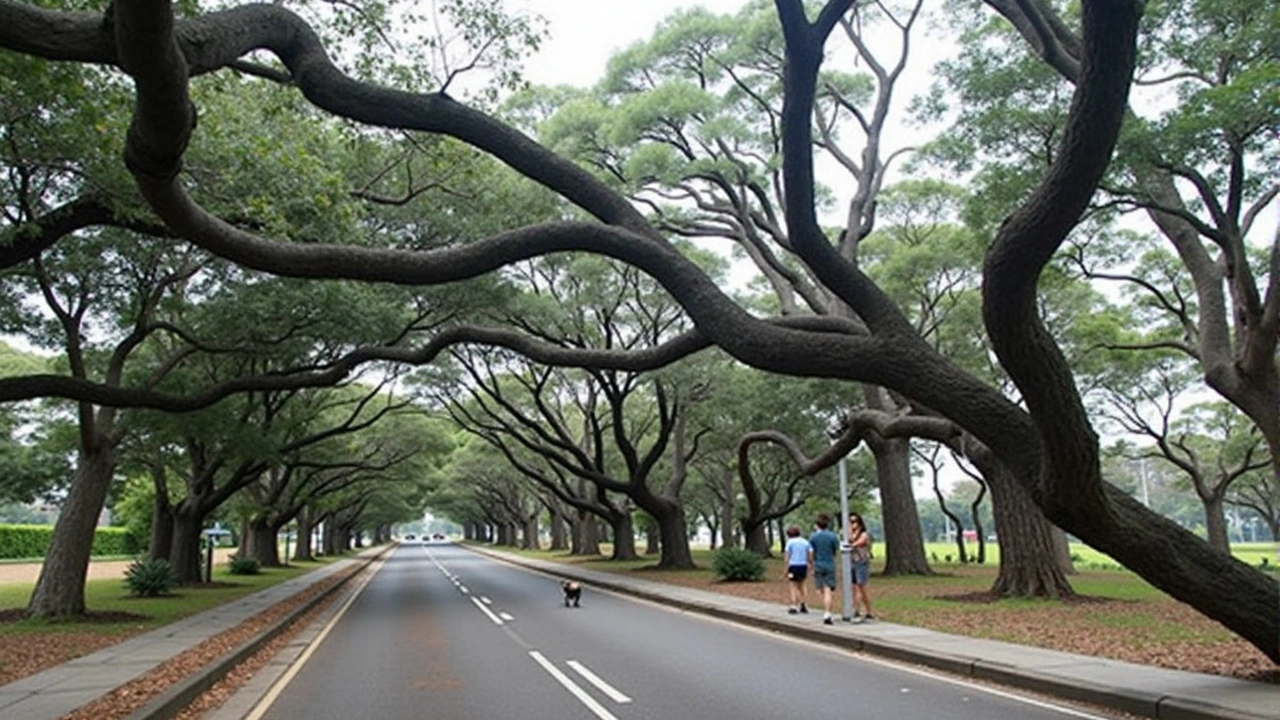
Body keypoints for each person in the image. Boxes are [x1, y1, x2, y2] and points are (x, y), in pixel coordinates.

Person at [808, 514, 841, 625]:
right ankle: (827, 613)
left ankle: (826, 609)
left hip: (818, 564)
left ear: (817, 525)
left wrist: (811, 564)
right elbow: (835, 551)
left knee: (821, 590)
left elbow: (811, 553)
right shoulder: (833, 536)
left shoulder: (813, 537)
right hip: (829, 564)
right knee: (828, 590)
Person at [848, 513, 874, 620]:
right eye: (850, 522)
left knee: (862, 586)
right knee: (854, 587)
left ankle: (869, 611)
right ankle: (856, 610)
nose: (852, 524)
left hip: (861, 562)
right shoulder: (849, 533)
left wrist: (850, 543)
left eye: (854, 522)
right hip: (852, 562)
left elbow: (856, 543)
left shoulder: (864, 534)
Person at [782, 525, 810, 614]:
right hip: (803, 565)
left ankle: (794, 605)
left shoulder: (790, 542)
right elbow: (810, 554)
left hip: (793, 566)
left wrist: (786, 570)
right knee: (803, 585)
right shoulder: (805, 542)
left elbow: (787, 557)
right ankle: (804, 604)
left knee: (793, 586)